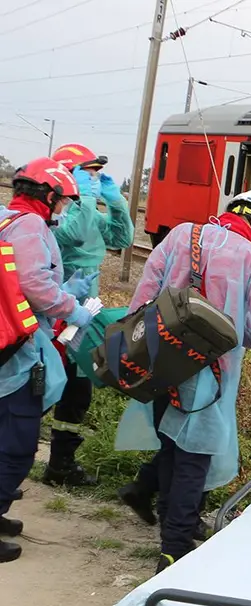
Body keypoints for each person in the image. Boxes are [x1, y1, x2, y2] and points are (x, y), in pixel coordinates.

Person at [112, 190, 251, 572]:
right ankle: (176, 548)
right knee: (193, 459)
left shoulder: (181, 234)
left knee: (170, 445)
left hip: (159, 359)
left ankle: (171, 528)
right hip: (208, 374)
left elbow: (144, 295)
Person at [0, 157, 101, 563]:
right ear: (47, 196)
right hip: (18, 347)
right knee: (18, 443)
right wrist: (72, 306)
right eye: (61, 202)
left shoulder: (6, 218)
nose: (62, 209)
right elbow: (34, 285)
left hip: (7, 341)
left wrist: (63, 287)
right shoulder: (30, 227)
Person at [41, 143, 134, 488]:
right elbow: (75, 234)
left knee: (77, 392)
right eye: (88, 173)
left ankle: (61, 465)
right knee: (39, 388)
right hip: (54, 314)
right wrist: (81, 199)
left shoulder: (85, 209)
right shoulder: (55, 216)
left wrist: (116, 201)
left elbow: (122, 237)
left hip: (83, 316)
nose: (94, 178)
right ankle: (13, 453)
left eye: (95, 173)